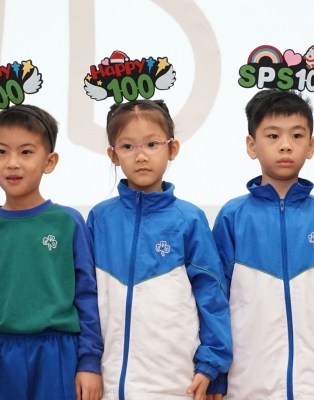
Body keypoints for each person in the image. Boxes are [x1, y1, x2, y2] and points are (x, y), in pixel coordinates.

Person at [0, 104, 103, 400]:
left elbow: (87, 296)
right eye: (2, 152)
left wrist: (89, 361)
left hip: (58, 354)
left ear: (50, 161)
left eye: (26, 152)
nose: (12, 163)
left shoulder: (68, 222)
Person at [87, 99, 232, 400]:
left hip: (176, 385)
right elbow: (85, 296)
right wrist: (87, 363)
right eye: (128, 146)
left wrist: (212, 369)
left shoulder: (189, 219)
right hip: (110, 385)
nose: (141, 156)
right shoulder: (100, 219)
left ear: (172, 148)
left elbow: (212, 296)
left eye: (152, 144)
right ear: (113, 155)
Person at [212, 89, 314, 399]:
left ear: (311, 145)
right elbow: (215, 301)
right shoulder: (232, 216)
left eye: (297, 135)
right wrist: (217, 376)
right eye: (273, 136)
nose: (285, 145)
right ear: (252, 145)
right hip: (246, 385)